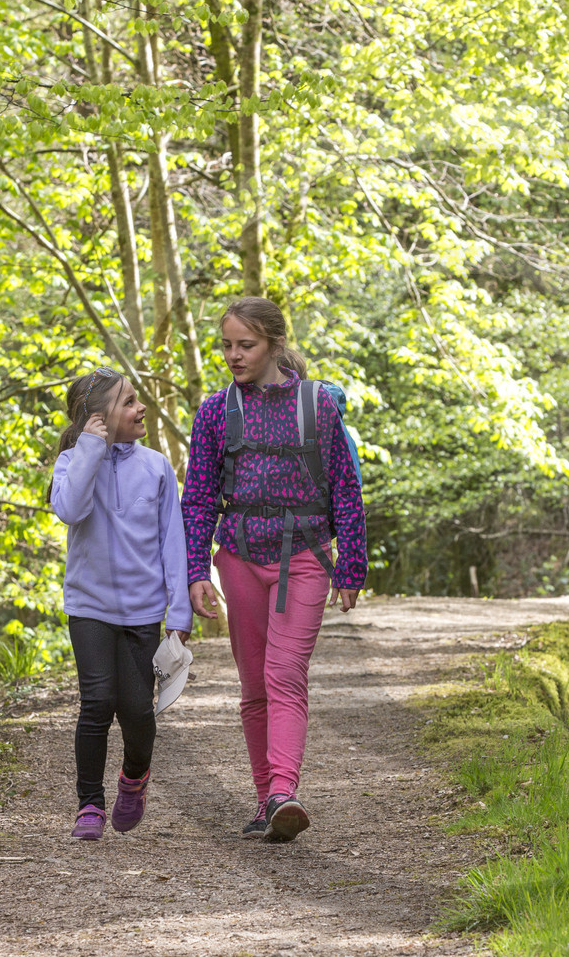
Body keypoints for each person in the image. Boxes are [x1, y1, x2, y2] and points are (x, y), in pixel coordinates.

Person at [181, 297, 366, 843]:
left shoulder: (318, 405)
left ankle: (285, 789)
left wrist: (351, 567)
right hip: (237, 557)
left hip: (305, 558)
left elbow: (346, 491)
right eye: (227, 345)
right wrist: (196, 572)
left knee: (285, 675)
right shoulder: (216, 411)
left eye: (246, 345)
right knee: (254, 685)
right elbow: (198, 499)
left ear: (275, 345)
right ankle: (267, 801)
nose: (234, 356)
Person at [50, 367, 191, 840]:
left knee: (136, 710)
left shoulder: (155, 467)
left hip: (143, 610)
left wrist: (180, 611)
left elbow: (174, 542)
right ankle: (89, 805)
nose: (140, 407)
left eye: (137, 398)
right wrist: (89, 448)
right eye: (128, 402)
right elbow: (70, 509)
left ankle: (134, 780)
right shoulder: (72, 461)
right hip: (88, 606)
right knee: (96, 703)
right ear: (100, 417)